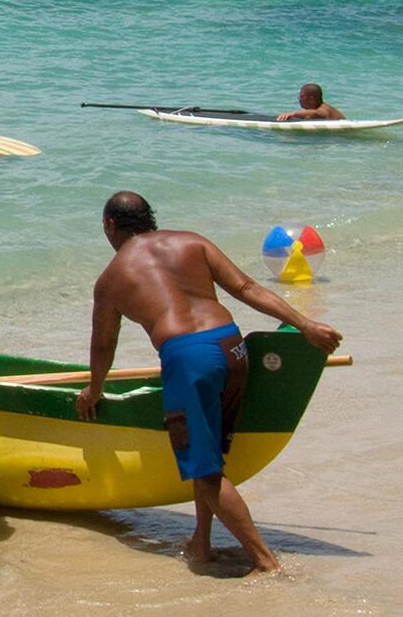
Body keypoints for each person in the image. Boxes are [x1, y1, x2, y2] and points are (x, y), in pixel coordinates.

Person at [77, 192, 341, 572]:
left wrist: (95, 390)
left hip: (189, 360)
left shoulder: (111, 278)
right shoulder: (192, 241)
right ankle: (201, 543)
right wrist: (306, 324)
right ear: (150, 218)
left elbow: (104, 345)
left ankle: (265, 563)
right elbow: (247, 288)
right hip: (232, 348)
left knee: (205, 472)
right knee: (212, 454)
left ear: (110, 226)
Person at [275, 83, 344, 122]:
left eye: (301, 96)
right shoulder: (322, 107)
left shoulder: (323, 109)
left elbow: (316, 113)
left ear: (311, 98)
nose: (299, 99)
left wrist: (293, 114)